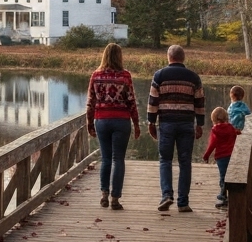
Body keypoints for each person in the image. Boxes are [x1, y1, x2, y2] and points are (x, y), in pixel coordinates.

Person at [148, 45, 205, 213]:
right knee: (185, 162)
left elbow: (153, 102)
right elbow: (200, 103)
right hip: (187, 123)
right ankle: (183, 202)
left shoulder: (159, 76)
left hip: (166, 123)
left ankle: (166, 195)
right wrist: (200, 124)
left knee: (165, 160)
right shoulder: (194, 77)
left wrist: (151, 122)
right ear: (183, 58)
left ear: (169, 57)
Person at [86, 43, 141, 210]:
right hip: (121, 121)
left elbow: (91, 102)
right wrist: (136, 123)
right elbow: (131, 101)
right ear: (119, 56)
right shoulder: (125, 76)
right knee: (118, 160)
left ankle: (104, 194)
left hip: (102, 120)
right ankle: (115, 198)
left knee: (106, 159)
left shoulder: (96, 76)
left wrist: (89, 123)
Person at [202, 107, 238, 209]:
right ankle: (229, 196)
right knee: (229, 176)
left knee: (223, 177)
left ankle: (223, 196)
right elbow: (235, 136)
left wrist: (206, 155)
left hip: (221, 157)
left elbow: (212, 144)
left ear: (214, 119)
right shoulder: (231, 127)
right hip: (231, 156)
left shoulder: (215, 130)